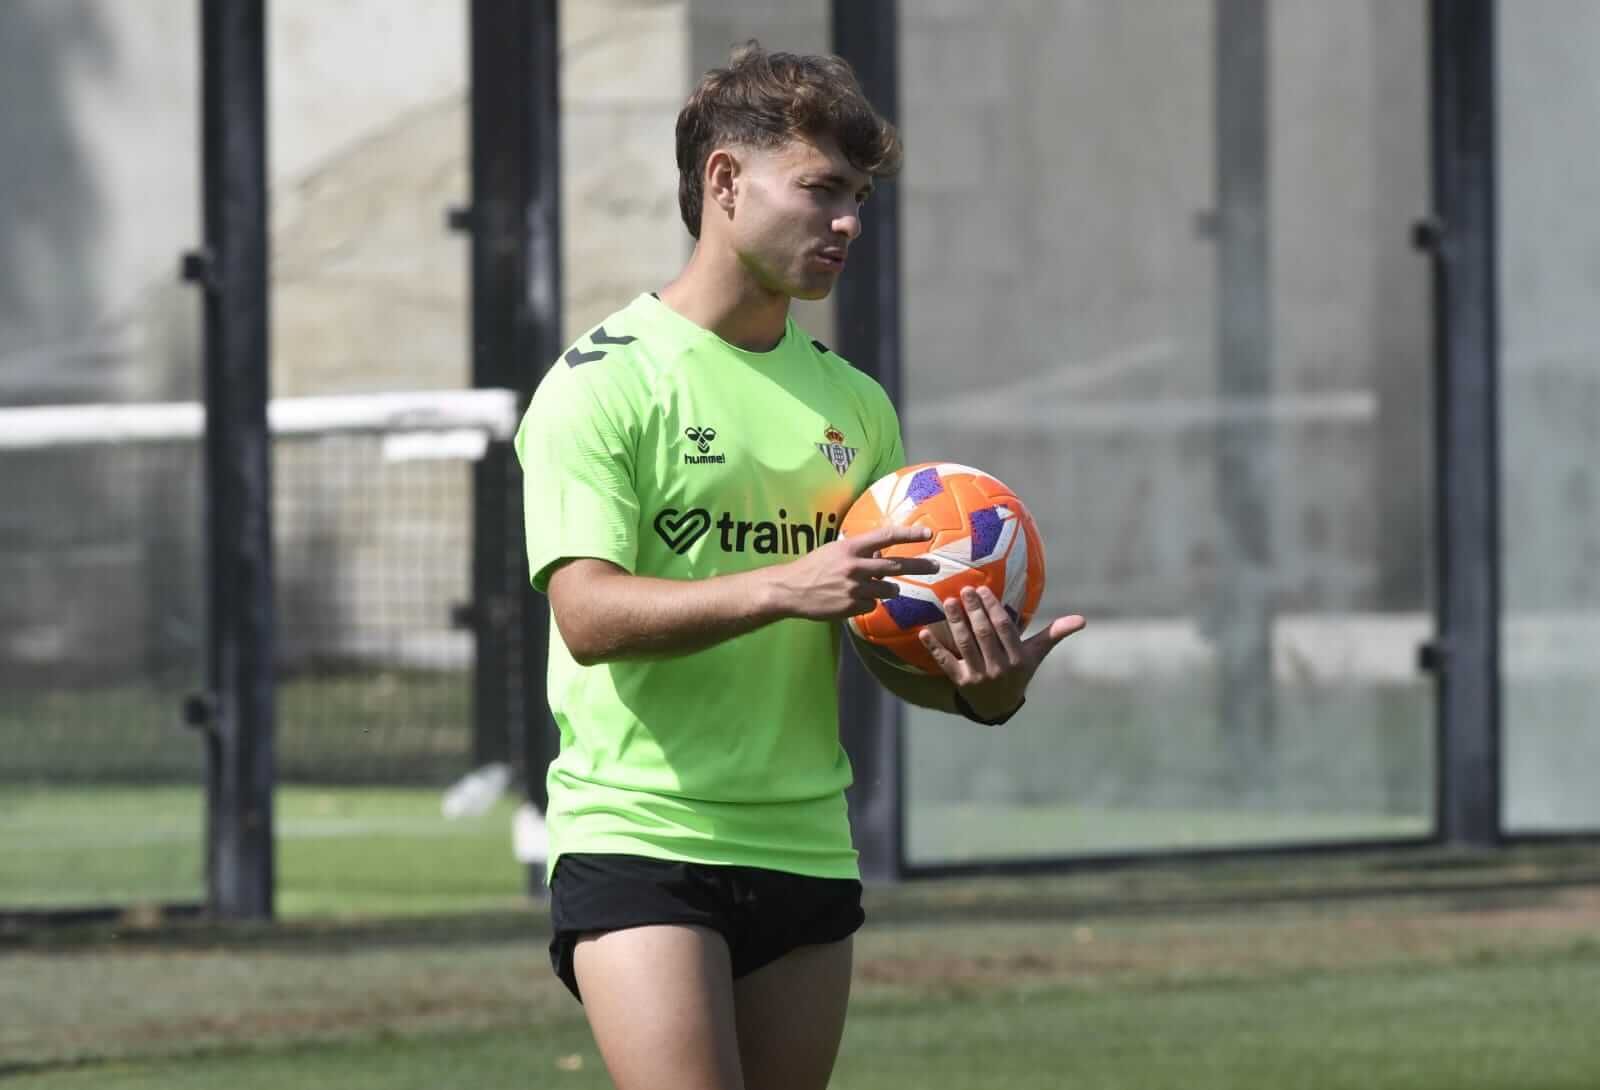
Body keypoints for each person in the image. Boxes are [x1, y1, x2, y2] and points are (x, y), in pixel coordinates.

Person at [514, 42, 1086, 1090]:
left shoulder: (856, 406)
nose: (848, 224)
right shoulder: (603, 384)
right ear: (724, 182)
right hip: (641, 833)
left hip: (805, 843)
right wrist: (786, 583)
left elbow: (882, 631)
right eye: (822, 189)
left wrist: (980, 691)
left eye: (858, 198)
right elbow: (586, 616)